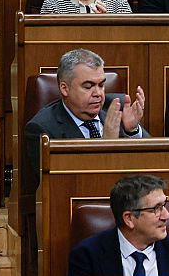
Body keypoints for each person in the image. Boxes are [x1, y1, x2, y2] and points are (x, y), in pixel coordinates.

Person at [23, 49, 147, 195]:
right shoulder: (42, 129)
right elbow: (64, 186)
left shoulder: (116, 110)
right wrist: (106, 144)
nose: (98, 94)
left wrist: (132, 131)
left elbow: (154, 166)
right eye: (88, 87)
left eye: (101, 85)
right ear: (65, 88)